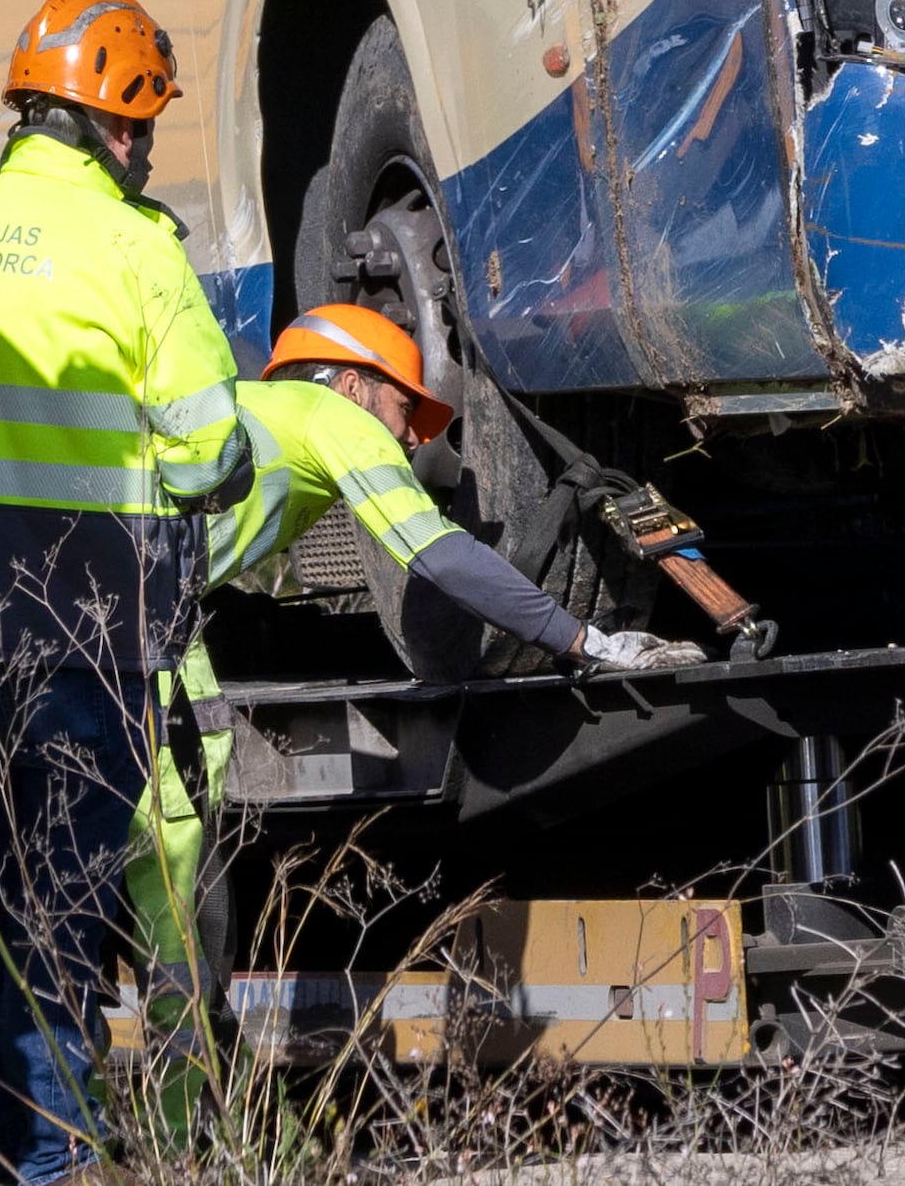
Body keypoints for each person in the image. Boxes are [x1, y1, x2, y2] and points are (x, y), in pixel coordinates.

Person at [0, 0, 255, 1186]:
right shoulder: (132, 251)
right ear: (114, 125)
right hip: (85, 622)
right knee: (63, 908)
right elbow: (209, 452)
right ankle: (50, 1165)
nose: (145, 153)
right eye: (143, 128)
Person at [125, 301, 701, 994]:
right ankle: (188, 1070)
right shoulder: (328, 416)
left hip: (84, 603)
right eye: (401, 407)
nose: (404, 440)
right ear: (351, 384)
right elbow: (443, 559)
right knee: (181, 857)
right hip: (128, 625)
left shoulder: (248, 408)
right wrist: (586, 641)